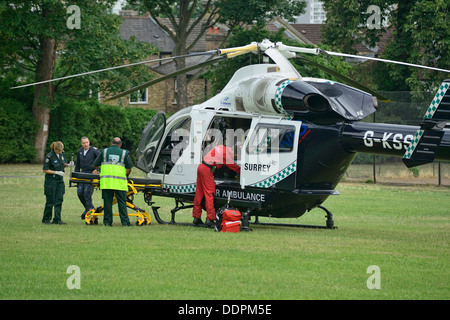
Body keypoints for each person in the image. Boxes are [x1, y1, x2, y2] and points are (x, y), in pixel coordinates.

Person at [193, 144, 241, 228]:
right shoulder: (226, 155)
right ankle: (210, 219)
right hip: (207, 170)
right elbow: (234, 167)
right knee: (210, 194)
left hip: (201, 167)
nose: (235, 158)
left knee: (199, 194)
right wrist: (245, 173)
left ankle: (196, 217)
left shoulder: (221, 147)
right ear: (233, 152)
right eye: (235, 156)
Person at [93, 137, 133, 226]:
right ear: (120, 144)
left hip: (107, 182)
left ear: (111, 143)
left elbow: (95, 164)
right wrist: (126, 175)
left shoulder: (104, 152)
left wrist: (103, 167)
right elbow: (129, 168)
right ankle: (125, 223)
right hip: (120, 183)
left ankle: (107, 222)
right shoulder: (124, 153)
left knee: (107, 203)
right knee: (122, 203)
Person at [42, 141, 73, 224]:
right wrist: (56, 172)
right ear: (55, 149)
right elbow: (45, 170)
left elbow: (63, 163)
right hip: (51, 181)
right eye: (59, 151)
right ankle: (46, 219)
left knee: (59, 200)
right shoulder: (49, 156)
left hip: (59, 181)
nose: (61, 152)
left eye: (61, 150)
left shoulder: (62, 154)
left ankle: (57, 219)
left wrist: (68, 164)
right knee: (50, 200)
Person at [75, 136, 100, 219]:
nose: (86, 144)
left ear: (89, 142)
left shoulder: (94, 151)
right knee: (80, 193)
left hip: (91, 174)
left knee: (87, 194)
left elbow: (102, 160)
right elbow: (77, 165)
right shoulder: (80, 151)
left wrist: (96, 170)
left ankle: (89, 212)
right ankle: (89, 209)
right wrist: (76, 175)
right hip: (82, 174)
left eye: (87, 142)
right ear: (81, 144)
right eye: (84, 143)